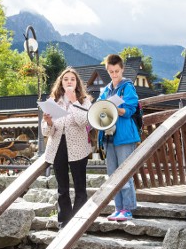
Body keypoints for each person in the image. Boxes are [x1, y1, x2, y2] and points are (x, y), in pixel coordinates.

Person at [42, 68, 93, 229]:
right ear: (61, 82)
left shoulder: (85, 101)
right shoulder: (53, 101)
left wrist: (74, 102)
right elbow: (46, 131)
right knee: (62, 188)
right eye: (66, 79)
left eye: (72, 79)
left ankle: (79, 223)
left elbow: (84, 122)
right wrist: (48, 122)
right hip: (57, 146)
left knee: (80, 187)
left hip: (78, 146)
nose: (69, 81)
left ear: (77, 82)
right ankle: (64, 221)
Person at [98, 54, 140, 221]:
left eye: (116, 71)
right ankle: (118, 207)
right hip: (108, 136)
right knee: (113, 174)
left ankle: (128, 208)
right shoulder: (106, 89)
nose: (114, 74)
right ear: (107, 70)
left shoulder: (128, 87)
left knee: (125, 172)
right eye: (111, 72)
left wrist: (115, 108)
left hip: (124, 136)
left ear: (122, 69)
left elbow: (130, 109)